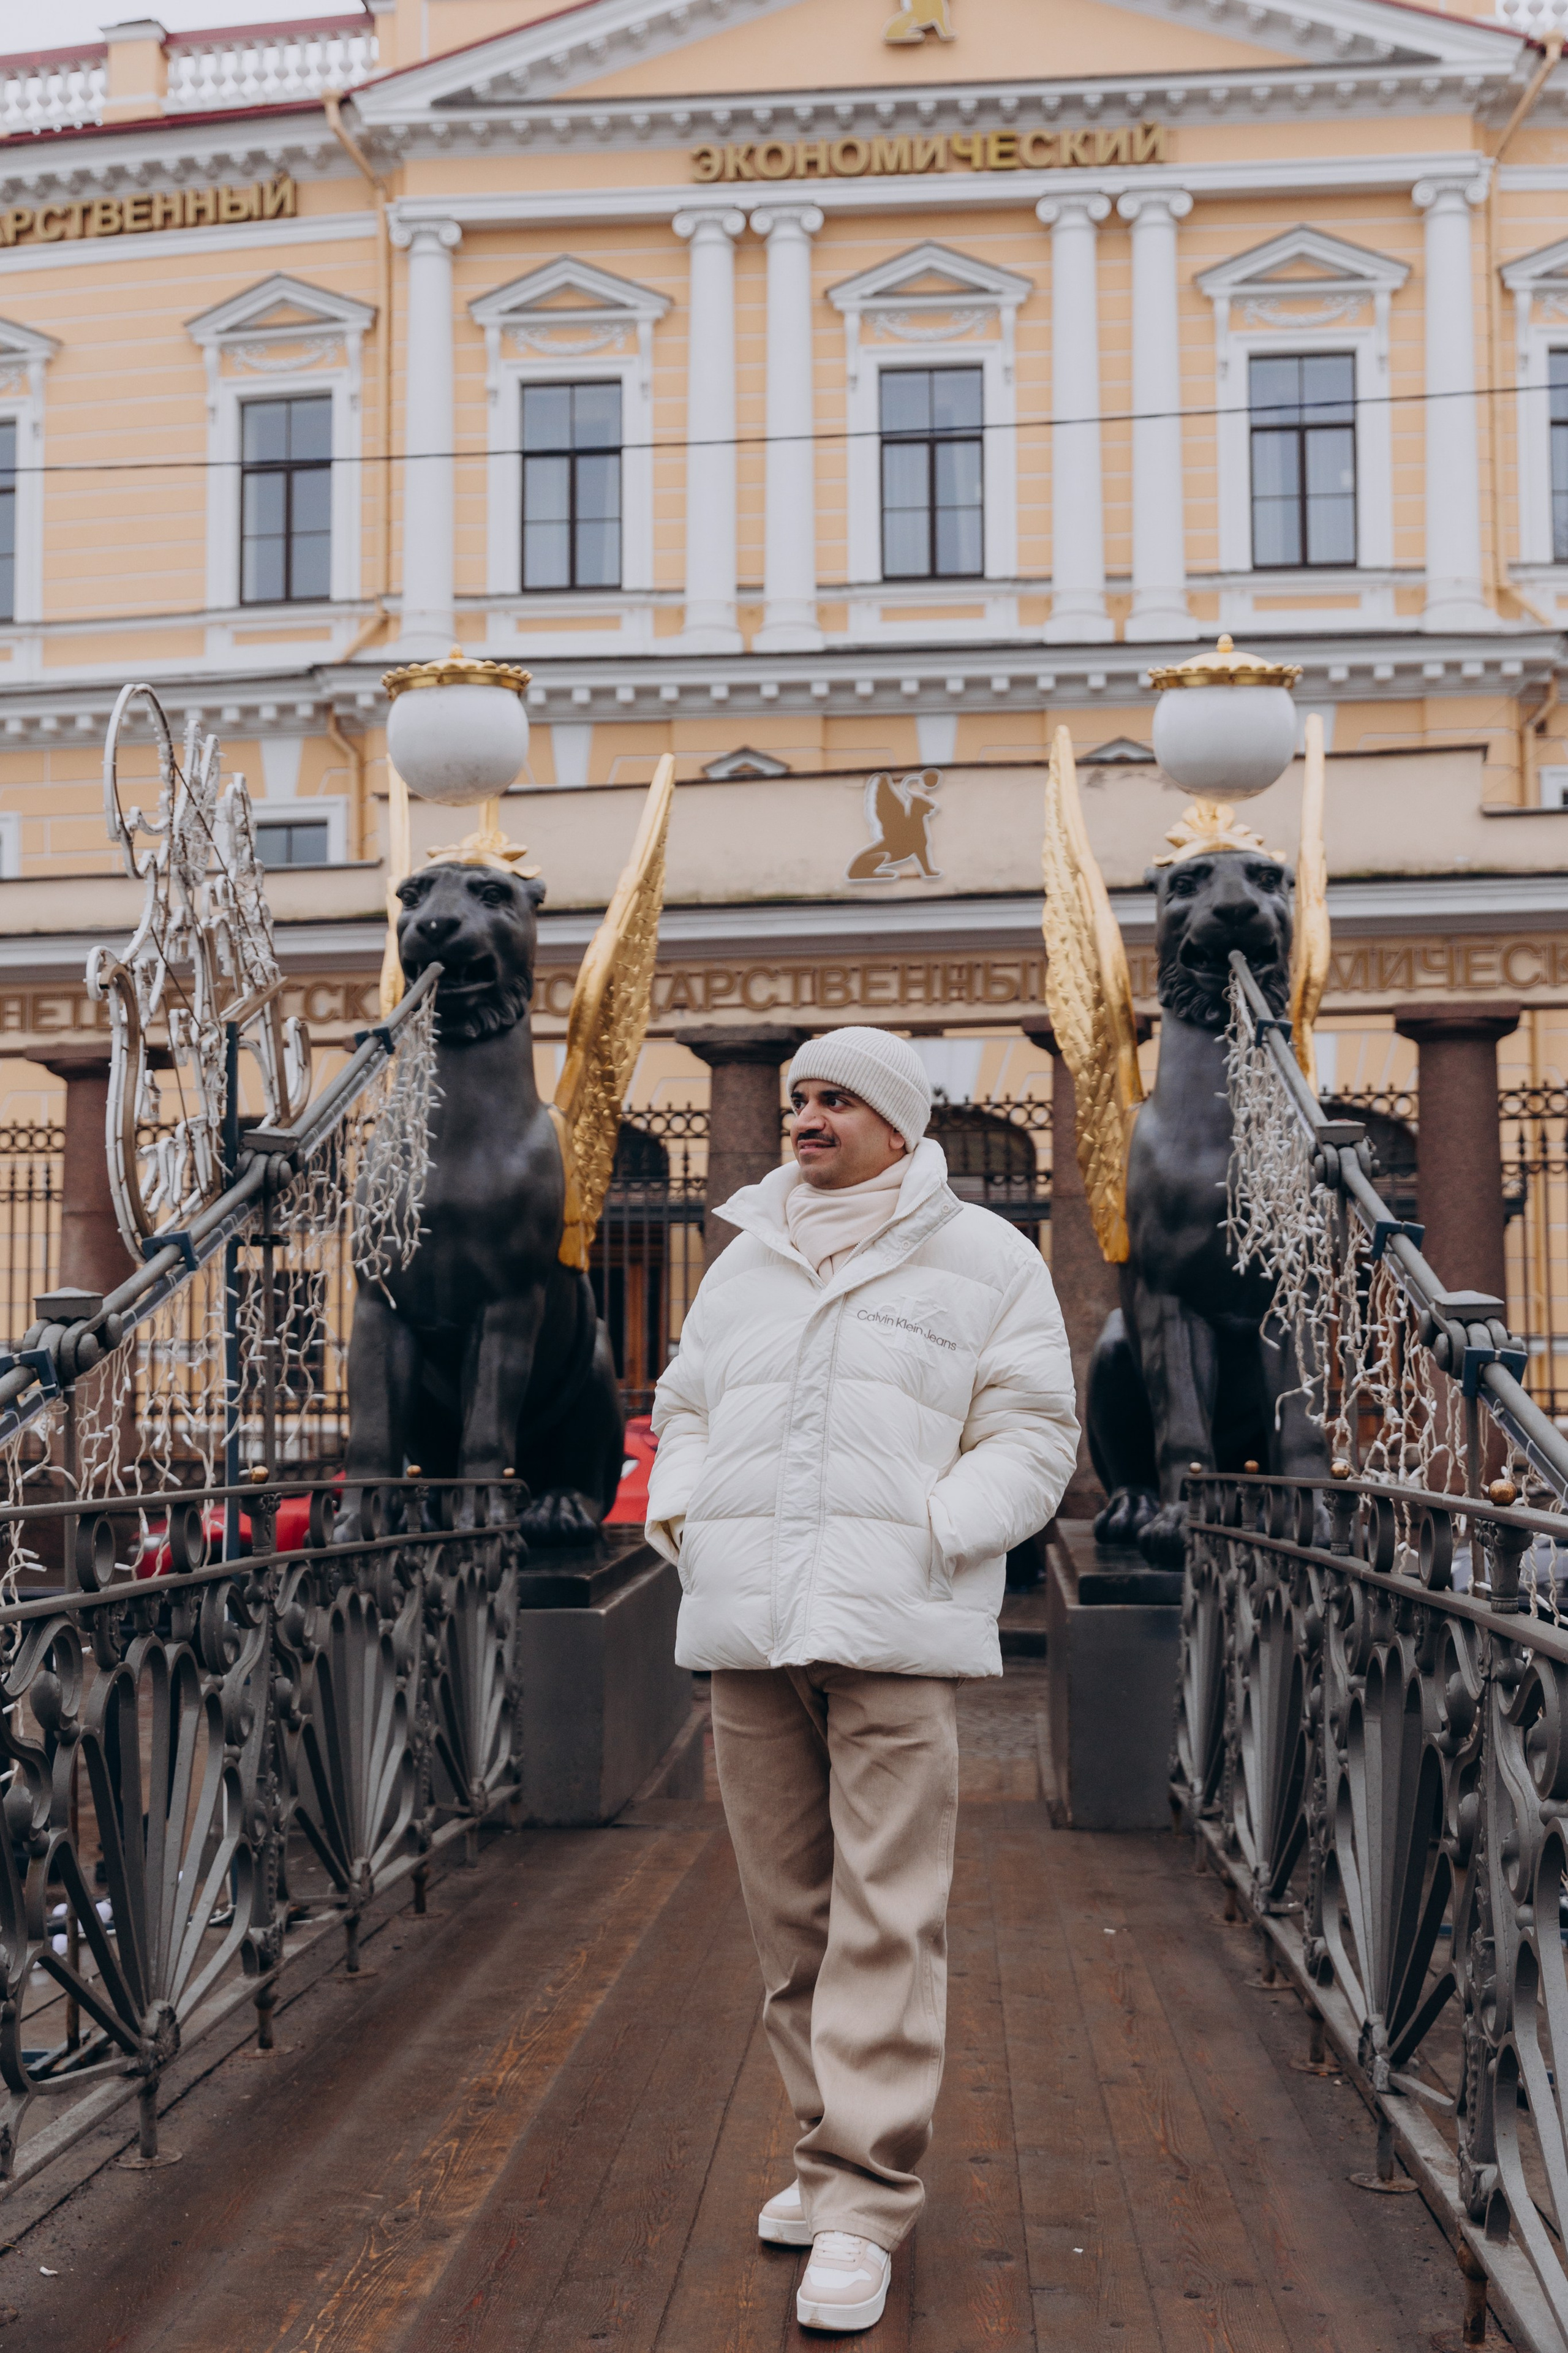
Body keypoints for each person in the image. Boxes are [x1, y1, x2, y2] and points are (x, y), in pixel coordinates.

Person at [644, 1025, 1077, 2334]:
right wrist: (689, 1512)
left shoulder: (986, 1260)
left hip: (893, 1633)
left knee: (887, 1919)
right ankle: (823, 2154)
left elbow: (1033, 1428)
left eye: (835, 1098)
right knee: (791, 1928)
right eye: (797, 1098)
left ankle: (863, 2203)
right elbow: (686, 1405)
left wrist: (937, 1531)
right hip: (747, 1628)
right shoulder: (746, 1259)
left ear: (897, 1123)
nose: (806, 1117)